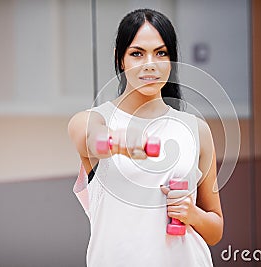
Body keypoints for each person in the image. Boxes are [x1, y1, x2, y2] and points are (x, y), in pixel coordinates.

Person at [68, 8, 223, 266]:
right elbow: (92, 138)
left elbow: (215, 229)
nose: (150, 64)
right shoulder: (93, 120)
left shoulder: (196, 130)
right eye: (137, 54)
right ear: (121, 60)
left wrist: (192, 214)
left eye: (160, 53)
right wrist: (122, 144)